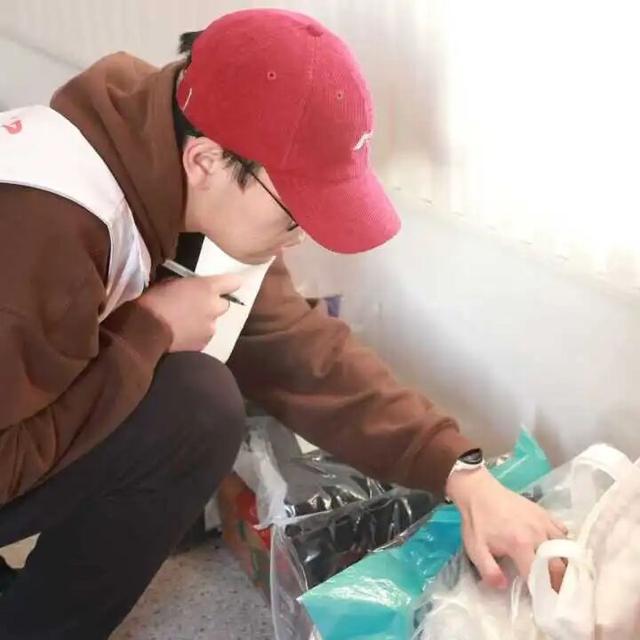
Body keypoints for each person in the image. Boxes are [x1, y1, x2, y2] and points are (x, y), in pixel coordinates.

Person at [0, 8, 566, 639]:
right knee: (195, 408)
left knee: (196, 395)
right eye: (294, 214)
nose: (298, 239)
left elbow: (301, 354)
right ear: (206, 162)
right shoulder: (44, 234)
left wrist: (462, 473)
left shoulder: (174, 142)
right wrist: (149, 331)